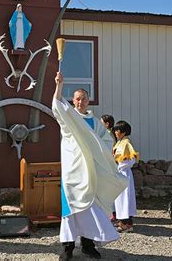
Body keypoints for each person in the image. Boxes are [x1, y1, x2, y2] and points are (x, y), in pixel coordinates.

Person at [52, 72, 128, 260]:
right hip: (73, 170)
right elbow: (57, 106)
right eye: (77, 99)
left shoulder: (95, 122)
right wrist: (59, 85)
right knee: (70, 208)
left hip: (91, 172)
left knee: (90, 208)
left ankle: (88, 244)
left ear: (88, 101)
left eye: (84, 99)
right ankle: (67, 248)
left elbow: (105, 142)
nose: (80, 102)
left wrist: (96, 150)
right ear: (73, 100)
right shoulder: (69, 117)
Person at [112, 120, 139, 232]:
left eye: (117, 130)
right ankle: (122, 221)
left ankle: (126, 224)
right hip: (119, 173)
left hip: (123, 173)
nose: (116, 132)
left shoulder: (126, 144)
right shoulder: (120, 143)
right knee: (119, 199)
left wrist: (119, 166)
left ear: (123, 132)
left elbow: (131, 160)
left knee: (124, 199)